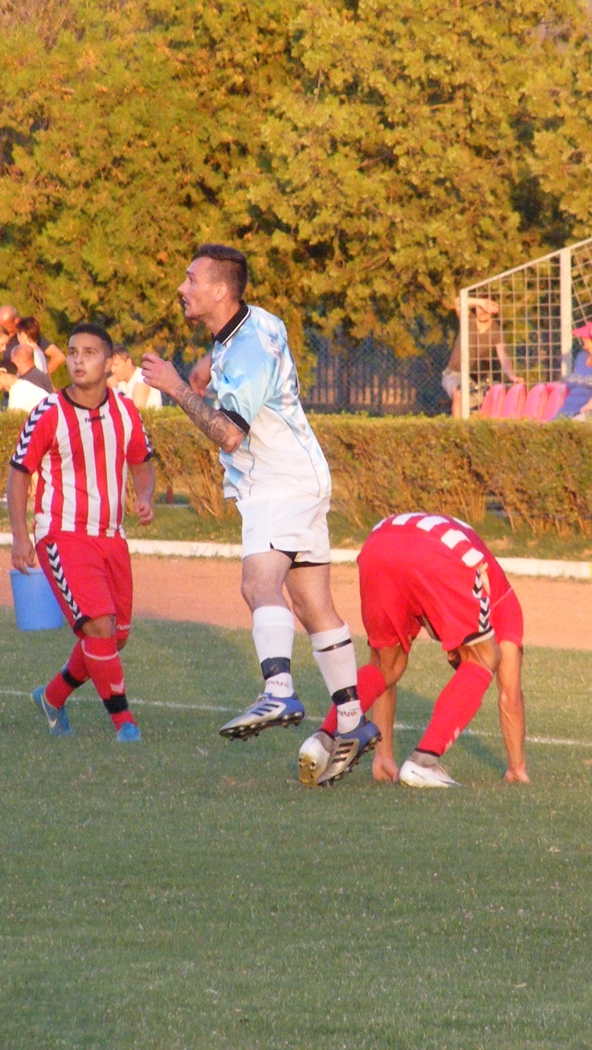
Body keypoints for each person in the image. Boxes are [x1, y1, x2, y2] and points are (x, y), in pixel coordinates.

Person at [140, 243, 380, 786]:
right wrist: (207, 367)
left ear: (220, 290)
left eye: (191, 279)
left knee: (257, 585)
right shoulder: (256, 322)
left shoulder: (247, 350)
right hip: (302, 475)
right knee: (313, 604)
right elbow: (256, 345)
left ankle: (278, 690)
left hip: (278, 483)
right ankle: (351, 722)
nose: (182, 288)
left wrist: (176, 386)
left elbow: (228, 433)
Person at [8, 323, 156, 742]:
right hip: (62, 533)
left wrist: (145, 496)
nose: (77, 360)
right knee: (99, 626)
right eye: (73, 352)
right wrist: (20, 536)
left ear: (108, 363)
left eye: (89, 353)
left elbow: (142, 463)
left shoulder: (126, 411)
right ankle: (124, 723)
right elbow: (19, 474)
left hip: (112, 536)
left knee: (114, 636)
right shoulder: (49, 412)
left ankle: (52, 697)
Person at [304, 512, 528, 787]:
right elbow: (510, 697)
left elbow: (385, 678)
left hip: (378, 544)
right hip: (437, 549)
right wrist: (517, 767)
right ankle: (424, 762)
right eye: (455, 659)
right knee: (485, 657)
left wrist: (383, 756)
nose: (450, 655)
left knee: (386, 666)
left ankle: (323, 740)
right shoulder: (505, 607)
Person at [442, 296, 520, 417]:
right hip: (455, 374)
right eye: (480, 308)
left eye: (487, 308)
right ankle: (459, 427)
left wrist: (512, 376)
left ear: (494, 310)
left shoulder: (496, 331)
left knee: (488, 401)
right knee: (459, 394)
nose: (483, 311)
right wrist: (481, 302)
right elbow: (457, 302)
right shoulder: (468, 320)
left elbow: (503, 355)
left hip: (479, 379)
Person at [553, 328, 592, 420]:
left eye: (585, 337)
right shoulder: (581, 357)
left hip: (587, 409)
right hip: (568, 407)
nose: (582, 338)